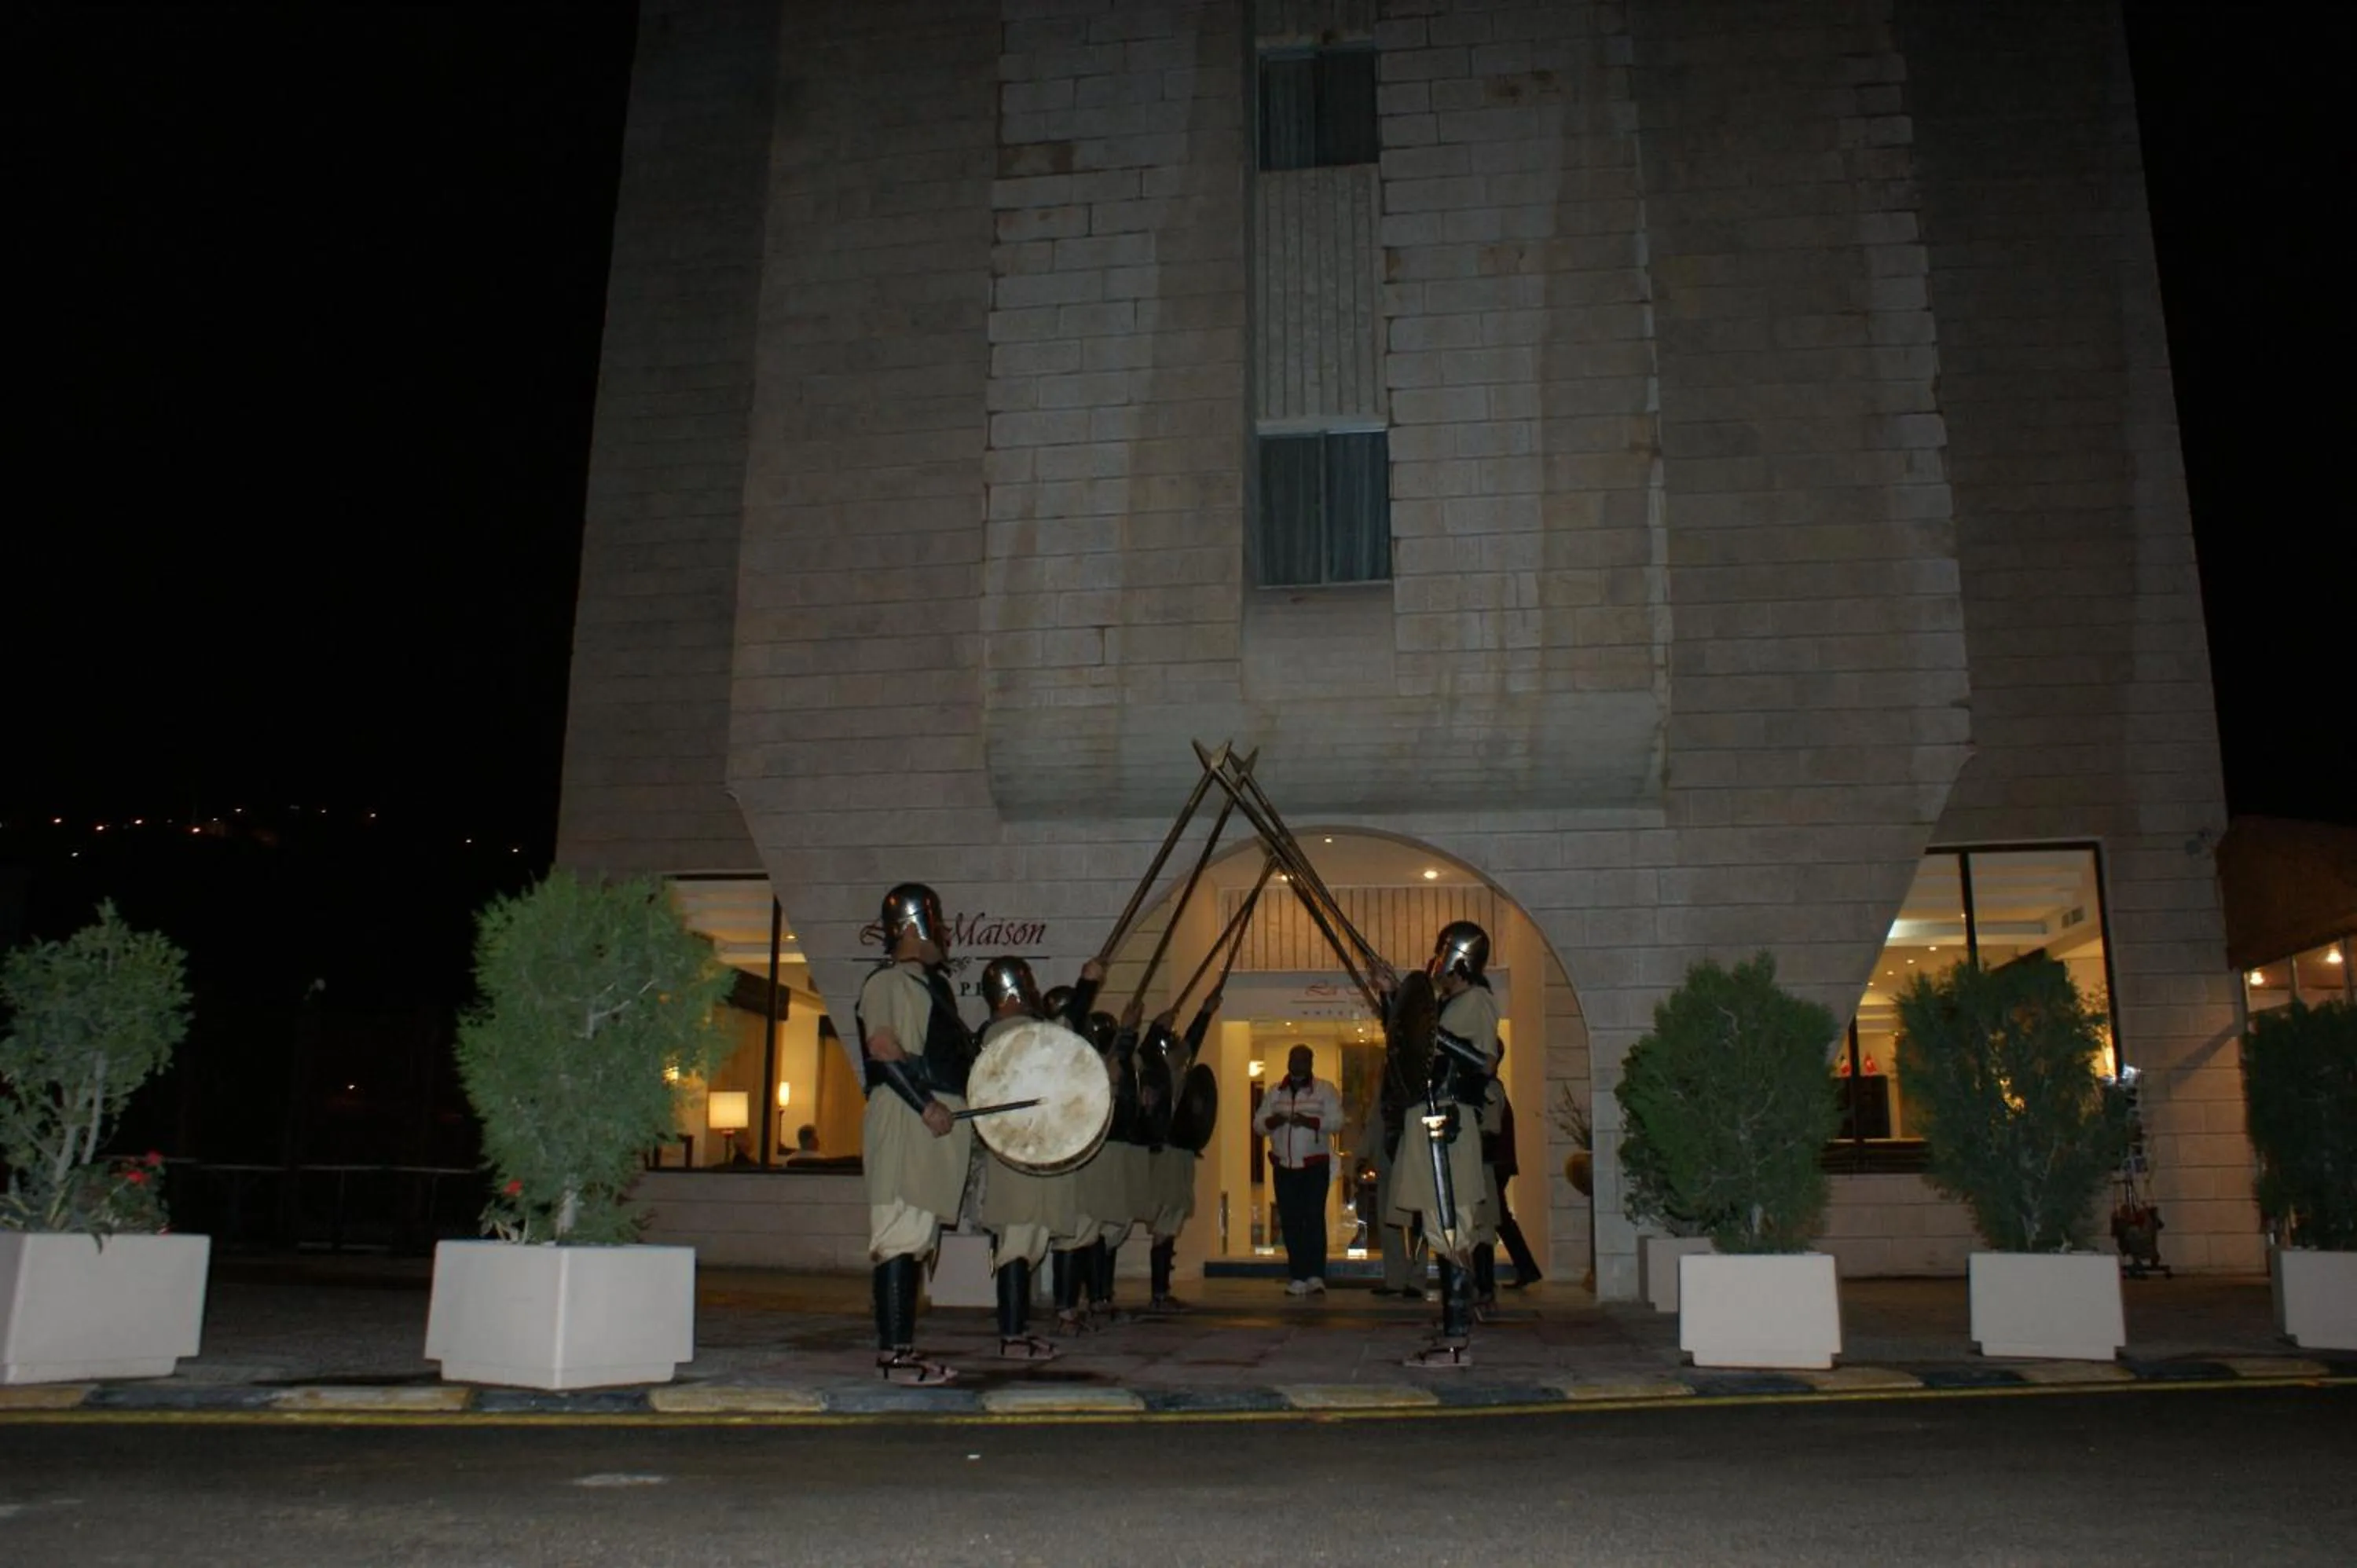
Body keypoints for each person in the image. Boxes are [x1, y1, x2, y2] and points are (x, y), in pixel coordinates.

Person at [855, 882, 975, 1386]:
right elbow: (884, 1047)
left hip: (929, 1122)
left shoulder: (927, 987)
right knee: (899, 1237)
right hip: (908, 1118)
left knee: (917, 1236)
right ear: (908, 927)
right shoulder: (887, 983)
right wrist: (925, 1104)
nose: (942, 934)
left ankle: (903, 1351)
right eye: (933, 922)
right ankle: (893, 1358)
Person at [1383, 920, 1500, 1368]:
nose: (1437, 962)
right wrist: (1394, 1001)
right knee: (1440, 1227)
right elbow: (1410, 1049)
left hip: (1447, 1123)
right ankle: (1454, 1325)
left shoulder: (1477, 1001)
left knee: (1451, 1227)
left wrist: (1433, 1033)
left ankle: (1457, 1338)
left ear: (1459, 960)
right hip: (1428, 1118)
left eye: (1444, 954)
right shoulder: (1446, 1003)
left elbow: (1485, 1063)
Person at [973, 954, 1096, 1363]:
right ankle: (1011, 1335)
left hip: (1032, 1153)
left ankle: (1019, 1330)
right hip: (1016, 1157)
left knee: (1030, 1243)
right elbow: (1063, 1035)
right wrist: (1086, 986)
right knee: (1017, 1243)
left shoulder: (1021, 1033)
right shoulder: (1007, 1036)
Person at [1140, 987, 1222, 1312]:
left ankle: (1162, 1290)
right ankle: (1159, 1293)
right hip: (1167, 1152)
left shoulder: (1176, 1071)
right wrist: (1158, 1028)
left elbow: (1193, 1043)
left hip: (1181, 1151)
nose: (1182, 1051)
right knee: (1165, 1219)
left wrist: (1205, 1011)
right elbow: (1155, 1048)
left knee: (1171, 1220)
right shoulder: (1155, 1072)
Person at [1253, 1044, 1343, 1295]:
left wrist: (1310, 1122)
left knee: (1313, 1219)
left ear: (1311, 1063)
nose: (1299, 1064)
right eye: (1295, 1059)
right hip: (1284, 1166)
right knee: (1291, 1221)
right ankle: (1297, 1275)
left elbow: (1337, 1121)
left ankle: (1315, 1275)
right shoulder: (1275, 1092)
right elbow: (1259, 1125)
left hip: (1315, 1165)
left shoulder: (1325, 1090)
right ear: (1288, 1062)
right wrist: (1276, 1120)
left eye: (1304, 1059)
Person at [1490, 1092, 1543, 1289]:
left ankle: (1526, 1268)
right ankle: (1526, 1268)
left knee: (1498, 1218)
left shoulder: (1491, 1094)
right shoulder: (1495, 1094)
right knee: (1500, 1218)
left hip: (1495, 1165)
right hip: (1499, 1163)